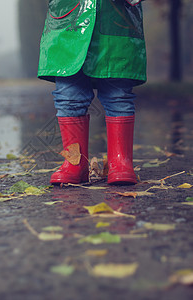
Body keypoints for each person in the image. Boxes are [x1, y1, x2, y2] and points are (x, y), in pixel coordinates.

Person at [38, 0, 146, 185]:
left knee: (118, 95)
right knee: (69, 97)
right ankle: (74, 163)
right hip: (68, 20)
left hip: (116, 21)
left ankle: (120, 162)